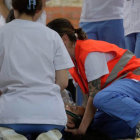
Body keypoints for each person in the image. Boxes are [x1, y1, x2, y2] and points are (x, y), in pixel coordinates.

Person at [47, 18, 140, 139]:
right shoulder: (73, 62)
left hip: (135, 80)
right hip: (124, 90)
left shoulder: (88, 52)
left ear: (64, 39)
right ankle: (134, 130)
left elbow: (94, 96)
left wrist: (82, 130)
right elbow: (86, 102)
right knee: (97, 123)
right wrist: (85, 128)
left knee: (101, 99)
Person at [0, 1, 74, 140]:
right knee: (56, 127)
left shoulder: (2, 33)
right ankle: (51, 133)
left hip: (11, 114)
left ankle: (7, 133)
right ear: (39, 9)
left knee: (4, 125)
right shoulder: (53, 36)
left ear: (13, 6)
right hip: (51, 115)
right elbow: (63, 82)